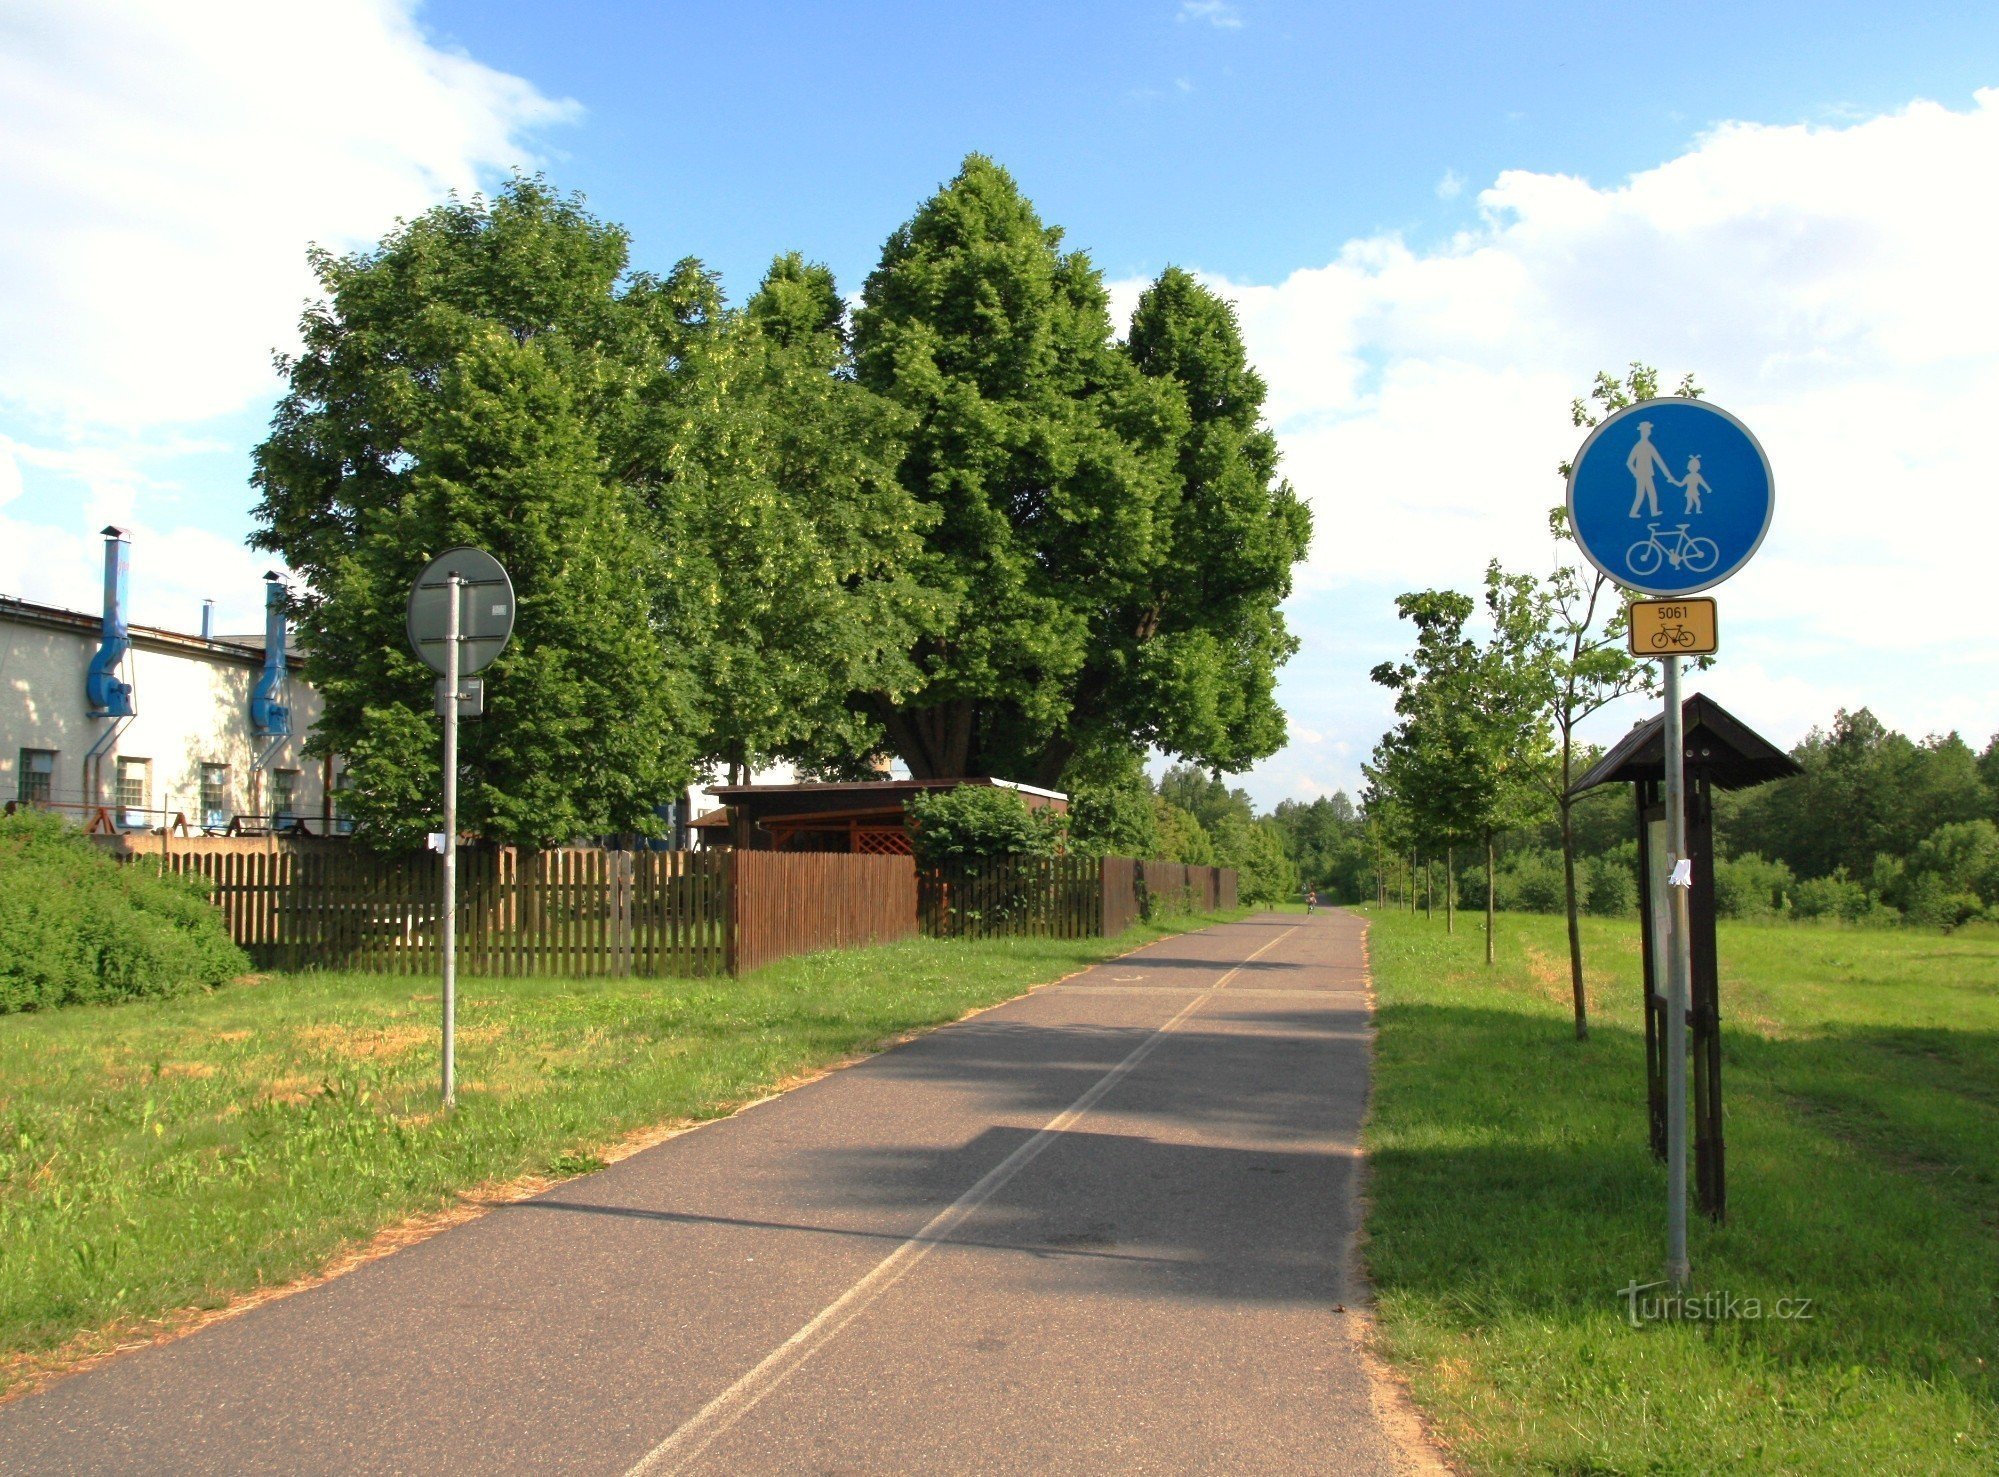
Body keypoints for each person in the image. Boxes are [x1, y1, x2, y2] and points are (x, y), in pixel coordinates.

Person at [1626, 421, 1673, 519]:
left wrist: (1668, 475)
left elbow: (1659, 461)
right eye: (1647, 430)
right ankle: (1633, 513)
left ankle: (1653, 511)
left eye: (1649, 430)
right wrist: (1636, 473)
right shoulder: (1639, 446)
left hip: (1648, 474)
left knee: (1651, 493)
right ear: (1643, 431)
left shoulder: (1648, 445)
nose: (1649, 431)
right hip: (1642, 475)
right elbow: (1629, 463)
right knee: (1641, 495)